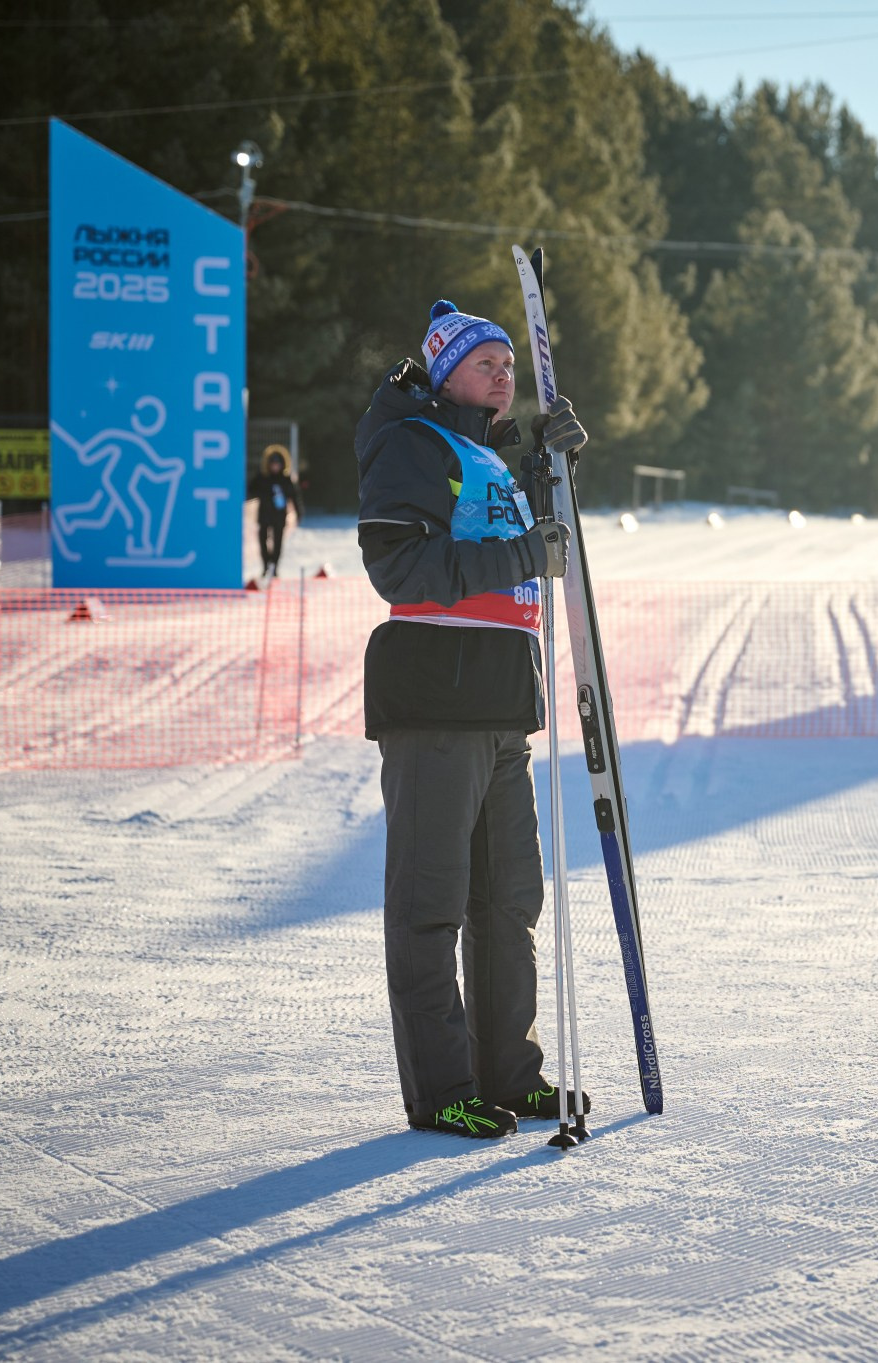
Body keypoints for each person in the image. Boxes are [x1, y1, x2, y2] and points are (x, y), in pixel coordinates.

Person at [353, 299, 590, 1139]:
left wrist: (553, 474)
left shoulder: (486, 460)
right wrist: (526, 549)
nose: (504, 374)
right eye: (487, 361)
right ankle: (443, 1087)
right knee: (432, 903)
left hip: (499, 705)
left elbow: (527, 550)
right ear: (445, 366)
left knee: (507, 900)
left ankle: (509, 1074)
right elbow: (403, 566)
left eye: (509, 365)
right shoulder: (414, 445)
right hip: (435, 703)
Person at [247, 446, 303, 578]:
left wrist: (299, 512)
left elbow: (294, 497)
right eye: (273, 464)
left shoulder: (286, 479)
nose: (275, 467)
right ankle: (266, 565)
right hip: (264, 514)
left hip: (279, 516)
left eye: (277, 464)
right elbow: (250, 490)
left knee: (278, 542)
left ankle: (275, 566)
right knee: (263, 540)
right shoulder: (261, 478)